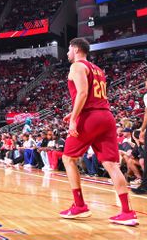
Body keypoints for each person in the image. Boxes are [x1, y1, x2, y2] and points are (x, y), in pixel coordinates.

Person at [59, 38, 138, 226]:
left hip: (90, 118)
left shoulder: (77, 66)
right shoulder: (98, 69)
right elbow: (94, 97)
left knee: (68, 158)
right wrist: (74, 112)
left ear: (77, 49)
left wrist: (73, 119)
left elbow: (83, 93)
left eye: (69, 49)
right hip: (106, 116)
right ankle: (127, 212)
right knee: (111, 164)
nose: (67, 53)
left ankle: (79, 206)